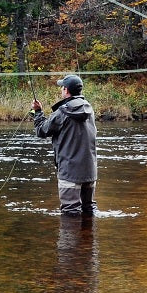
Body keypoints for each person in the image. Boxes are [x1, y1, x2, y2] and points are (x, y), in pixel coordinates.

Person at [31, 74, 98, 216]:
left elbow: (42, 131)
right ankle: (89, 238)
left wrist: (37, 112)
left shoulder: (63, 112)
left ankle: (70, 239)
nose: (61, 90)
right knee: (88, 209)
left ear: (66, 90)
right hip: (90, 172)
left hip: (70, 172)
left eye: (62, 87)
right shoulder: (89, 109)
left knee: (70, 213)